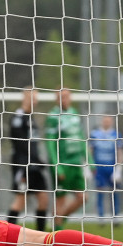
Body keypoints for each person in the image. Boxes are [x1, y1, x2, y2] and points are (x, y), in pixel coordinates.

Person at [6, 87, 50, 231]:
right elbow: (19, 142)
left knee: (43, 198)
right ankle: (6, 235)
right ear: (25, 98)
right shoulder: (18, 116)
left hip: (34, 165)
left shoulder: (31, 118)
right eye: (32, 98)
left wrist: (37, 160)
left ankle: (40, 236)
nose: (35, 101)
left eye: (36, 98)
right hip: (23, 165)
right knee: (21, 199)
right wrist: (36, 159)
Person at [44, 88, 88, 229]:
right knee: (61, 201)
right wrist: (57, 166)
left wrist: (90, 161)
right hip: (62, 163)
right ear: (56, 99)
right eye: (61, 97)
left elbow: (81, 138)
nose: (64, 99)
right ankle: (56, 233)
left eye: (67, 96)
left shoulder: (74, 113)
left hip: (76, 163)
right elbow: (50, 143)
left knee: (83, 198)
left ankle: (58, 223)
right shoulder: (53, 116)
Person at [89, 115, 123, 221]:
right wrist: (89, 166)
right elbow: (90, 150)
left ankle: (116, 216)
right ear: (102, 121)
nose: (106, 122)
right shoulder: (95, 134)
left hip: (112, 167)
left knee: (114, 191)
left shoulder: (116, 134)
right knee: (100, 191)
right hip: (99, 167)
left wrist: (119, 169)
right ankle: (101, 216)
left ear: (112, 122)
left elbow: (119, 151)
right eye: (105, 121)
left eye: (108, 121)